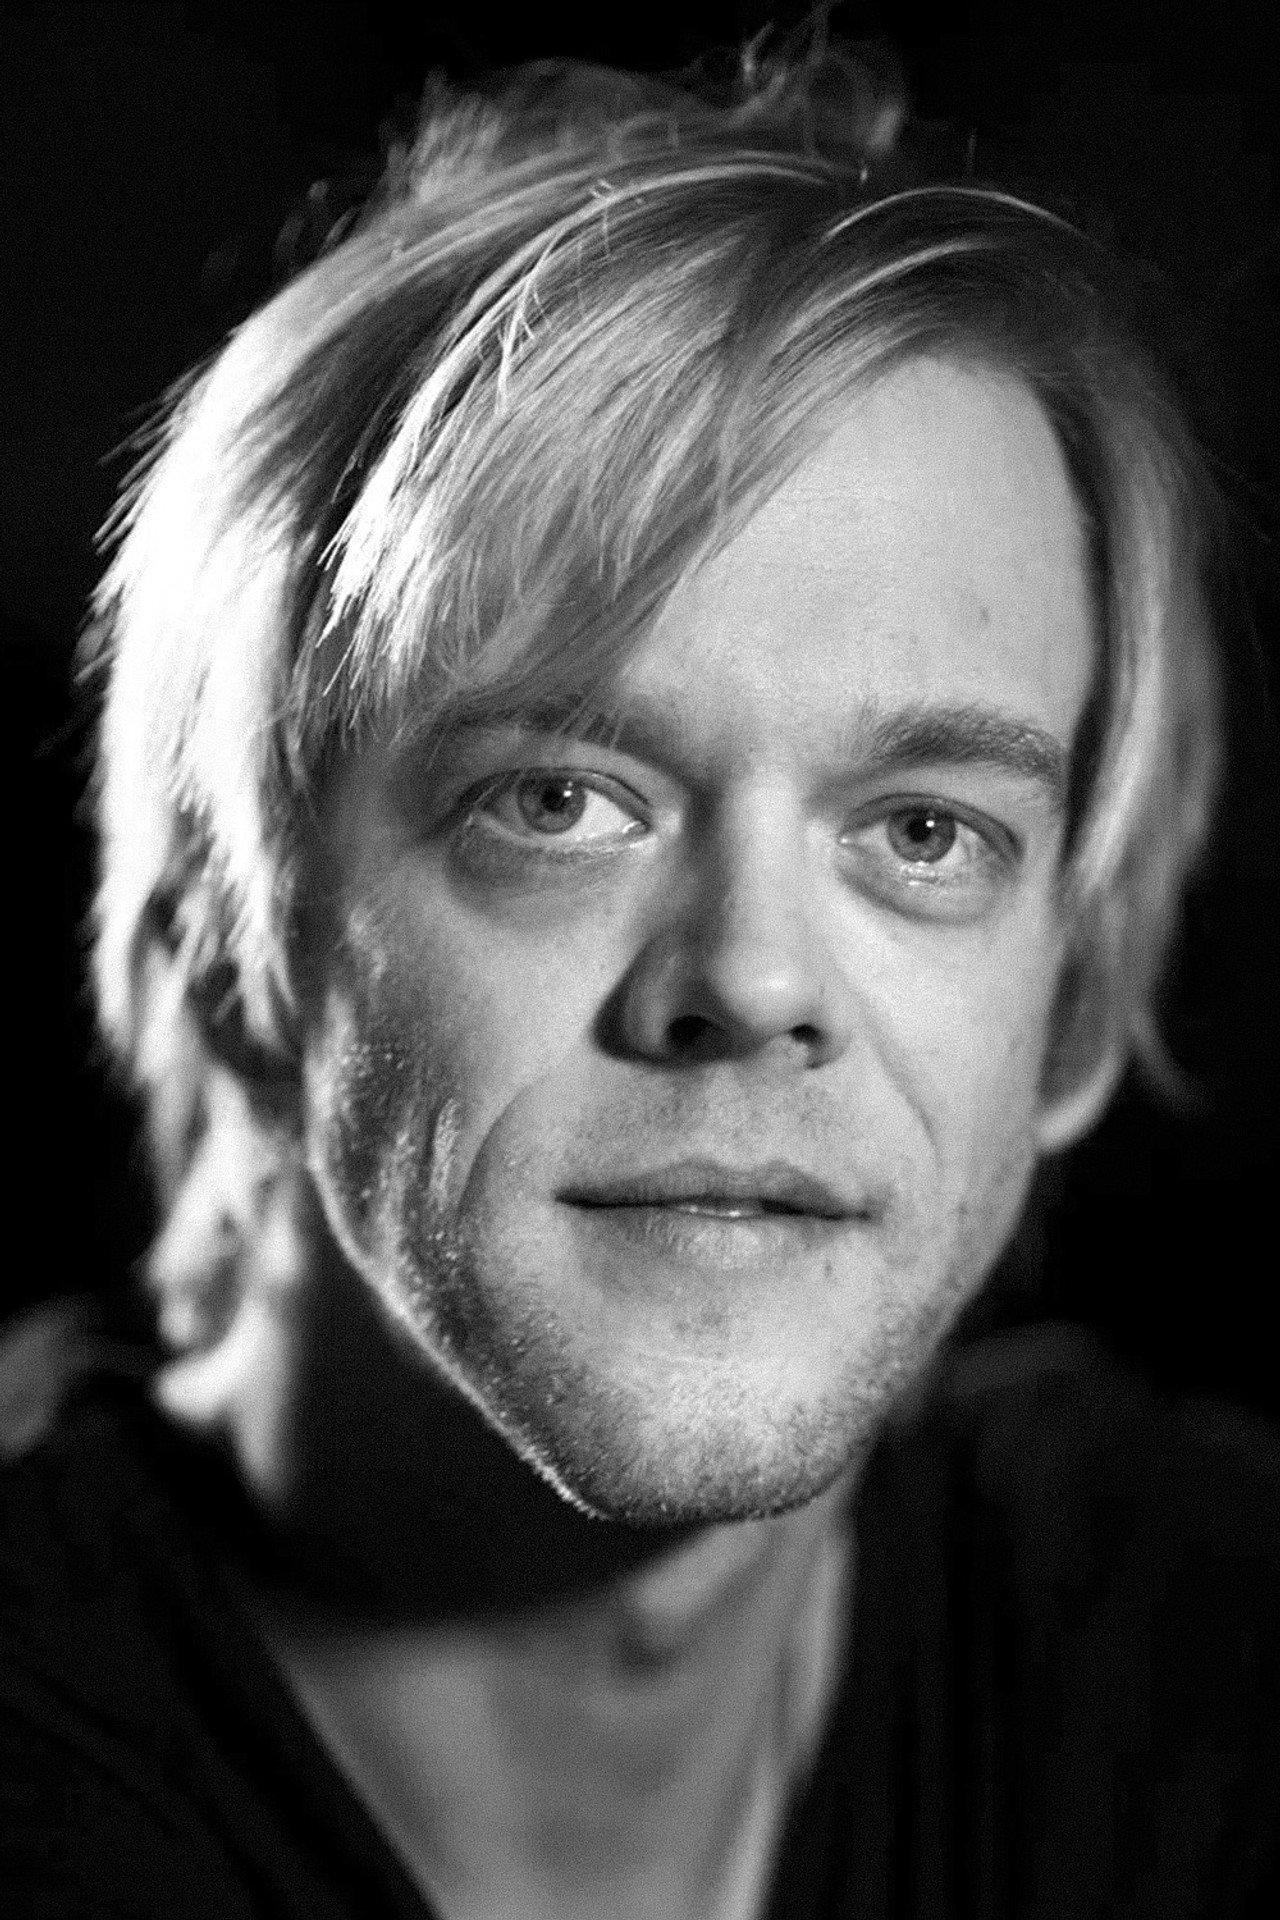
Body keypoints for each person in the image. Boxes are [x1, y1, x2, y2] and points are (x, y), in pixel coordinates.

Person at [3, 27, 1279, 1919]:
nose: (751, 981)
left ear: (1075, 1011)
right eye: (560, 801)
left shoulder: (1197, 1651)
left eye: (926, 832)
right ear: (228, 953)